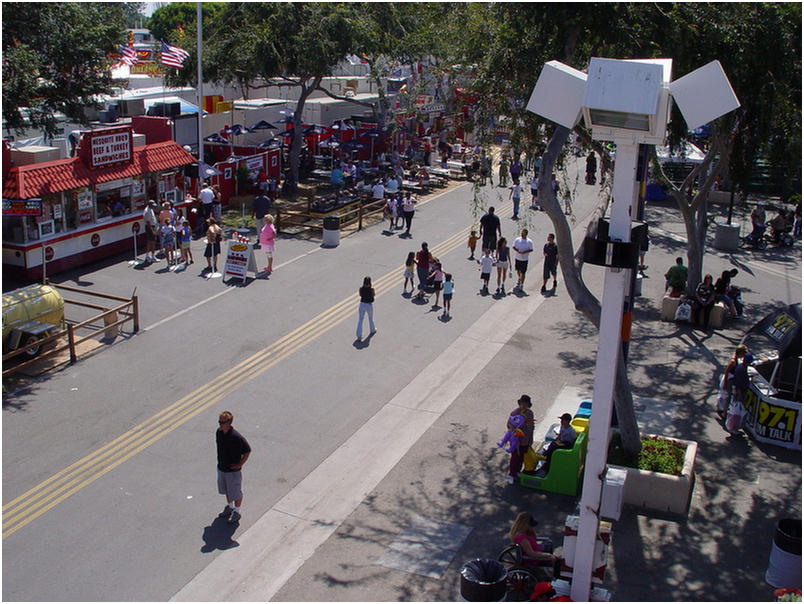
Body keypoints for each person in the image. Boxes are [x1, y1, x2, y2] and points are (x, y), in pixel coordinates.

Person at [216, 410, 251, 524]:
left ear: (229, 422)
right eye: (219, 422)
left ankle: (237, 511)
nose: (220, 424)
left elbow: (247, 450)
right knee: (227, 489)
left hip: (232, 471)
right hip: (222, 468)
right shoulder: (219, 433)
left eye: (223, 422)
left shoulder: (236, 437)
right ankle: (229, 507)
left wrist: (240, 464)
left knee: (235, 491)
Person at [507, 395, 535, 484]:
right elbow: (509, 424)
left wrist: (530, 440)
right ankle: (511, 474)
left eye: (525, 404)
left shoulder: (530, 413)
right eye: (522, 403)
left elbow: (531, 427)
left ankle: (517, 471)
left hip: (525, 440)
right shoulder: (515, 413)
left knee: (521, 457)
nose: (523, 405)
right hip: (516, 440)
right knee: (514, 457)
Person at [716, 345, 748, 419]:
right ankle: (724, 413)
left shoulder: (737, 358)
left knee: (725, 395)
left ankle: (720, 409)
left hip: (731, 379)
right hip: (728, 380)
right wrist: (725, 383)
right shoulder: (733, 361)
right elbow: (726, 371)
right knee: (727, 396)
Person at [513, 228, 534, 293]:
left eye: (524, 234)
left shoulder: (529, 241)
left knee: (523, 272)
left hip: (524, 259)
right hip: (518, 258)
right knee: (518, 270)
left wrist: (524, 252)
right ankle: (519, 277)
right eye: (522, 234)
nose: (522, 235)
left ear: (526, 234)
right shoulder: (517, 240)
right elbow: (513, 246)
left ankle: (522, 284)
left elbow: (531, 249)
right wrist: (518, 251)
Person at [355, 276, 377, 340]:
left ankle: (359, 335)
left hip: (362, 304)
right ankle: (372, 329)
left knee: (360, 320)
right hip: (369, 305)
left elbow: (360, 295)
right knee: (370, 318)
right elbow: (374, 295)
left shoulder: (361, 288)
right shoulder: (372, 289)